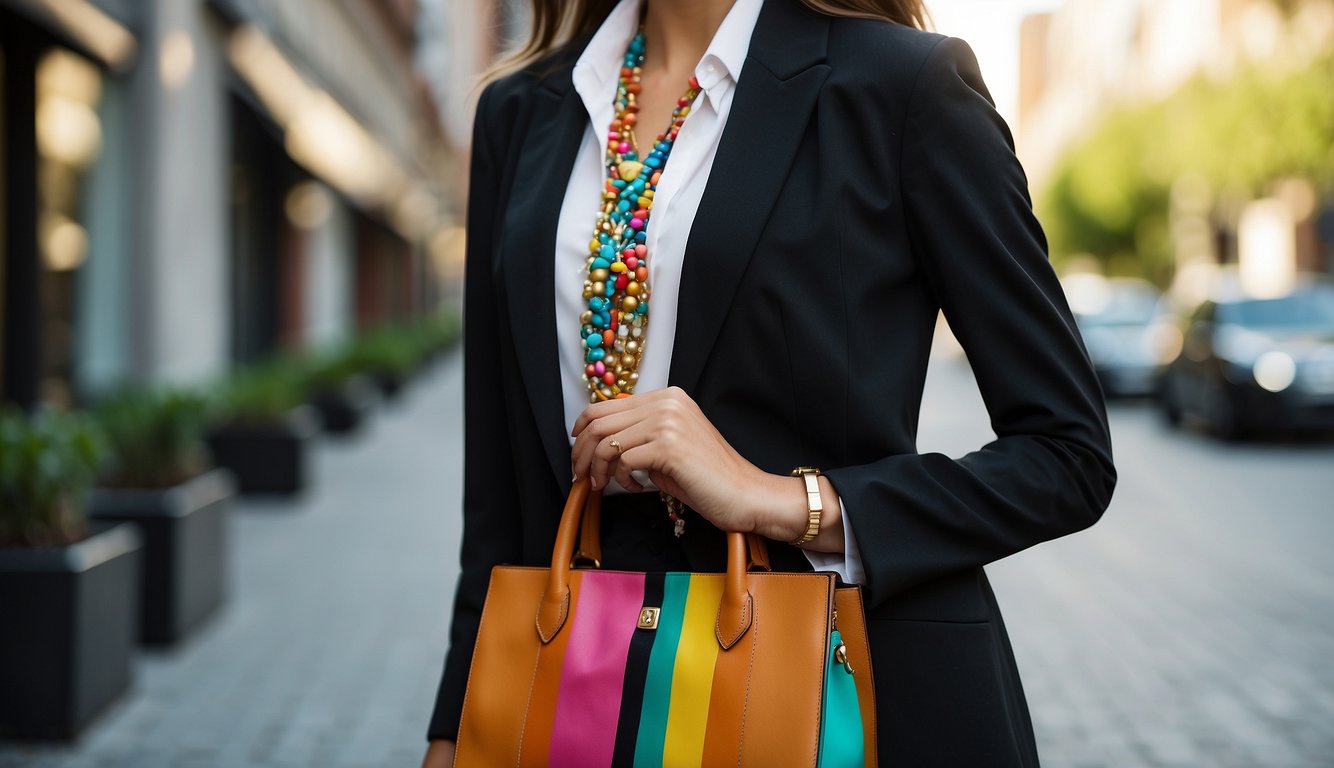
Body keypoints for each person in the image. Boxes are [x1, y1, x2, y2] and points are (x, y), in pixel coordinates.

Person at [422, 0, 1116, 764]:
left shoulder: (902, 86)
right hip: (583, 684)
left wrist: (786, 499)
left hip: (842, 680)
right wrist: (456, 726)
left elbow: (1066, 455)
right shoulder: (521, 111)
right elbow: (495, 493)